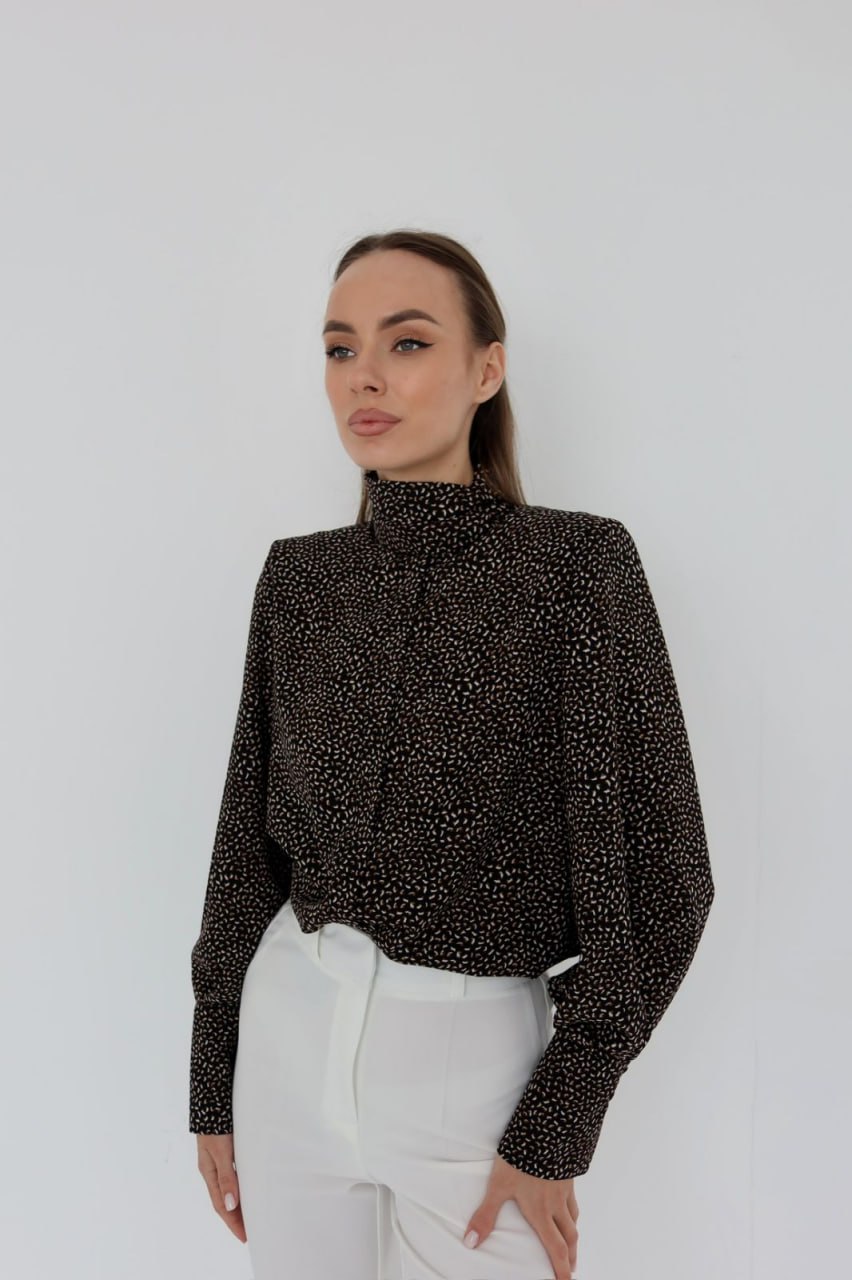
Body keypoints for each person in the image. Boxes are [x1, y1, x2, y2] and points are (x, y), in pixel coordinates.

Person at [189, 228, 715, 1280]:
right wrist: (214, 1081)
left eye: (408, 342)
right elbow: (246, 854)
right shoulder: (299, 580)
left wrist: (557, 1123)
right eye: (339, 348)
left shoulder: (577, 569)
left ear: (487, 368)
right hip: (288, 1047)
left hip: (476, 1078)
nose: (364, 376)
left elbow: (669, 881)